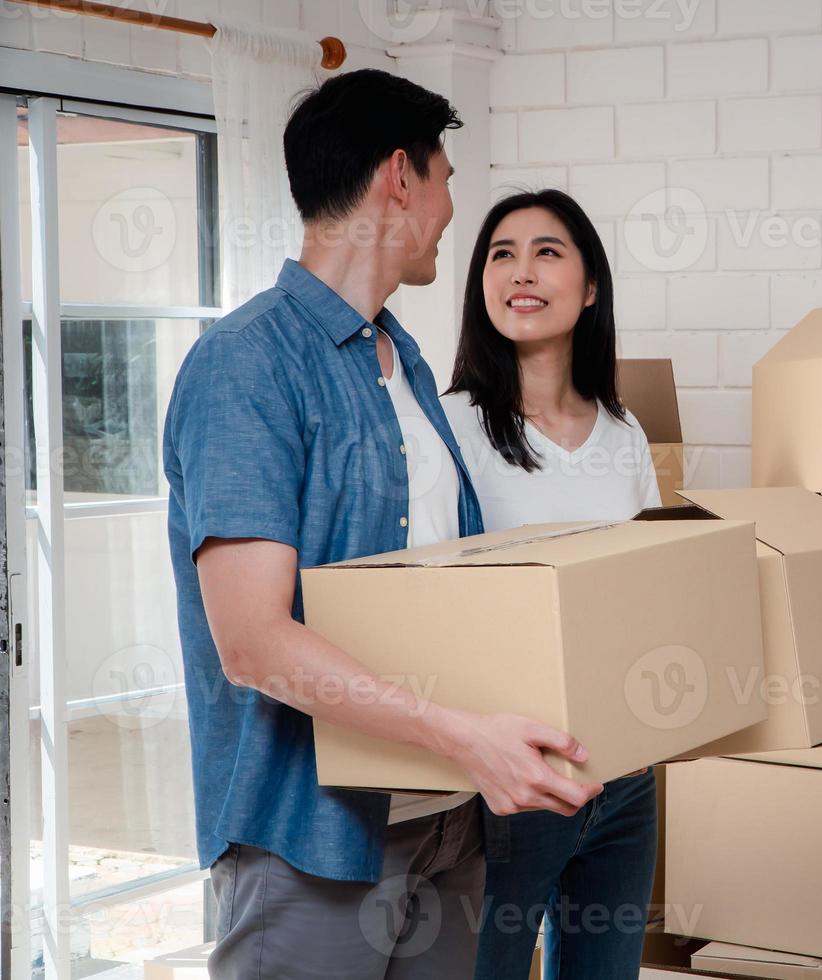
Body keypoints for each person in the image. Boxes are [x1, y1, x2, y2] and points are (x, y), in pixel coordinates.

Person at [163, 71, 601, 979]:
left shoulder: (399, 360)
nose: (450, 211)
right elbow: (252, 643)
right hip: (313, 839)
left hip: (445, 824)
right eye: (446, 180)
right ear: (400, 177)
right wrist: (464, 737)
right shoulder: (245, 366)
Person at [441, 189, 662, 980]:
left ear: (591, 285)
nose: (520, 271)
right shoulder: (454, 428)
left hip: (623, 778)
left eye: (546, 251)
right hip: (511, 785)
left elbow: (651, 588)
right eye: (501, 254)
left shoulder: (623, 430)